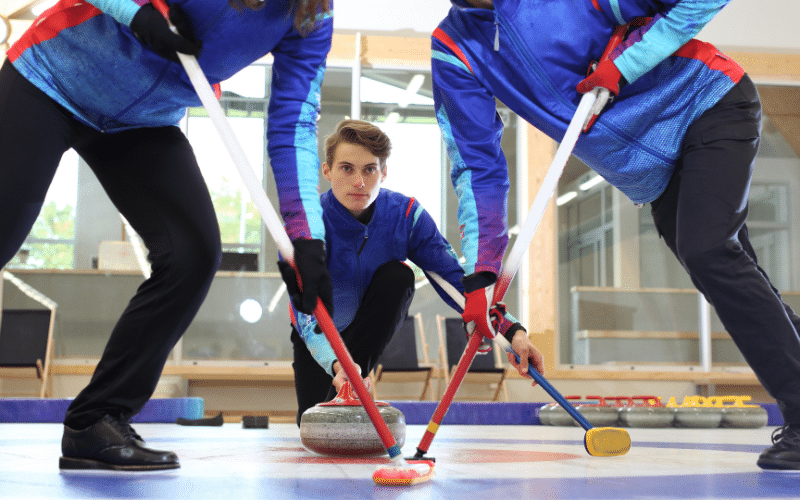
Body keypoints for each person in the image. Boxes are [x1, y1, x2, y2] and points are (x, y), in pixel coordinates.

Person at [431, 0, 800, 471]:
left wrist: (625, 66)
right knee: (729, 272)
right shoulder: (453, 49)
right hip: (654, 171)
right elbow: (478, 169)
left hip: (705, 103)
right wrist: (480, 275)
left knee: (708, 251)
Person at [0, 0, 333, 470]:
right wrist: (133, 12)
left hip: (142, 121)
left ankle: (96, 420)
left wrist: (306, 238)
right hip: (53, 75)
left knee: (192, 253)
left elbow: (293, 121)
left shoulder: (310, 15)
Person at [288, 119, 544, 425]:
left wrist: (513, 332)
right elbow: (306, 313)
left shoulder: (406, 216)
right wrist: (337, 364)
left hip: (367, 331)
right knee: (311, 426)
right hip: (318, 335)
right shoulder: (306, 228)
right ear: (327, 171)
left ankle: (350, 385)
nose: (359, 182)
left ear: (383, 173)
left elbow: (456, 283)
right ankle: (340, 386)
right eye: (347, 168)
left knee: (400, 275)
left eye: (369, 169)